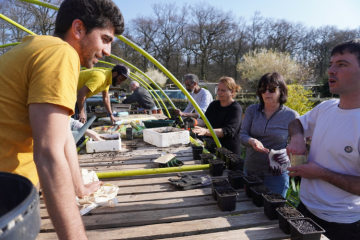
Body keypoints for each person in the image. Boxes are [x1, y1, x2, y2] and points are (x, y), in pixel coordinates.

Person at [0, 0, 124, 239]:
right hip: (7, 200)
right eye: (105, 39)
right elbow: (49, 153)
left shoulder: (41, 48)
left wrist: (79, 188)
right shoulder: (61, 53)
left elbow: (63, 134)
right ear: (78, 29)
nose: (108, 52)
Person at [286, 39, 360, 240]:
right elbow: (296, 122)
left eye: (342, 64)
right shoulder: (326, 107)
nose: (330, 71)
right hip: (305, 209)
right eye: (330, 64)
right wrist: (297, 138)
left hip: (342, 224)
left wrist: (320, 173)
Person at [240, 72, 299, 197]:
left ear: (281, 90)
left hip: (276, 174)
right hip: (252, 170)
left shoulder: (291, 115)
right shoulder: (252, 110)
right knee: (249, 211)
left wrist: (290, 158)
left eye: (272, 89)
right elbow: (242, 134)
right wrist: (252, 141)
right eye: (263, 89)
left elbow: (298, 144)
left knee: (273, 212)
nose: (267, 93)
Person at [192, 77, 242, 156]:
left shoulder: (235, 108)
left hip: (229, 153)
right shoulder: (214, 105)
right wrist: (193, 122)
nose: (219, 92)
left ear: (232, 92)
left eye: (223, 90)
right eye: (218, 89)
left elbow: (228, 131)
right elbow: (204, 121)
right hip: (212, 149)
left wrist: (206, 131)